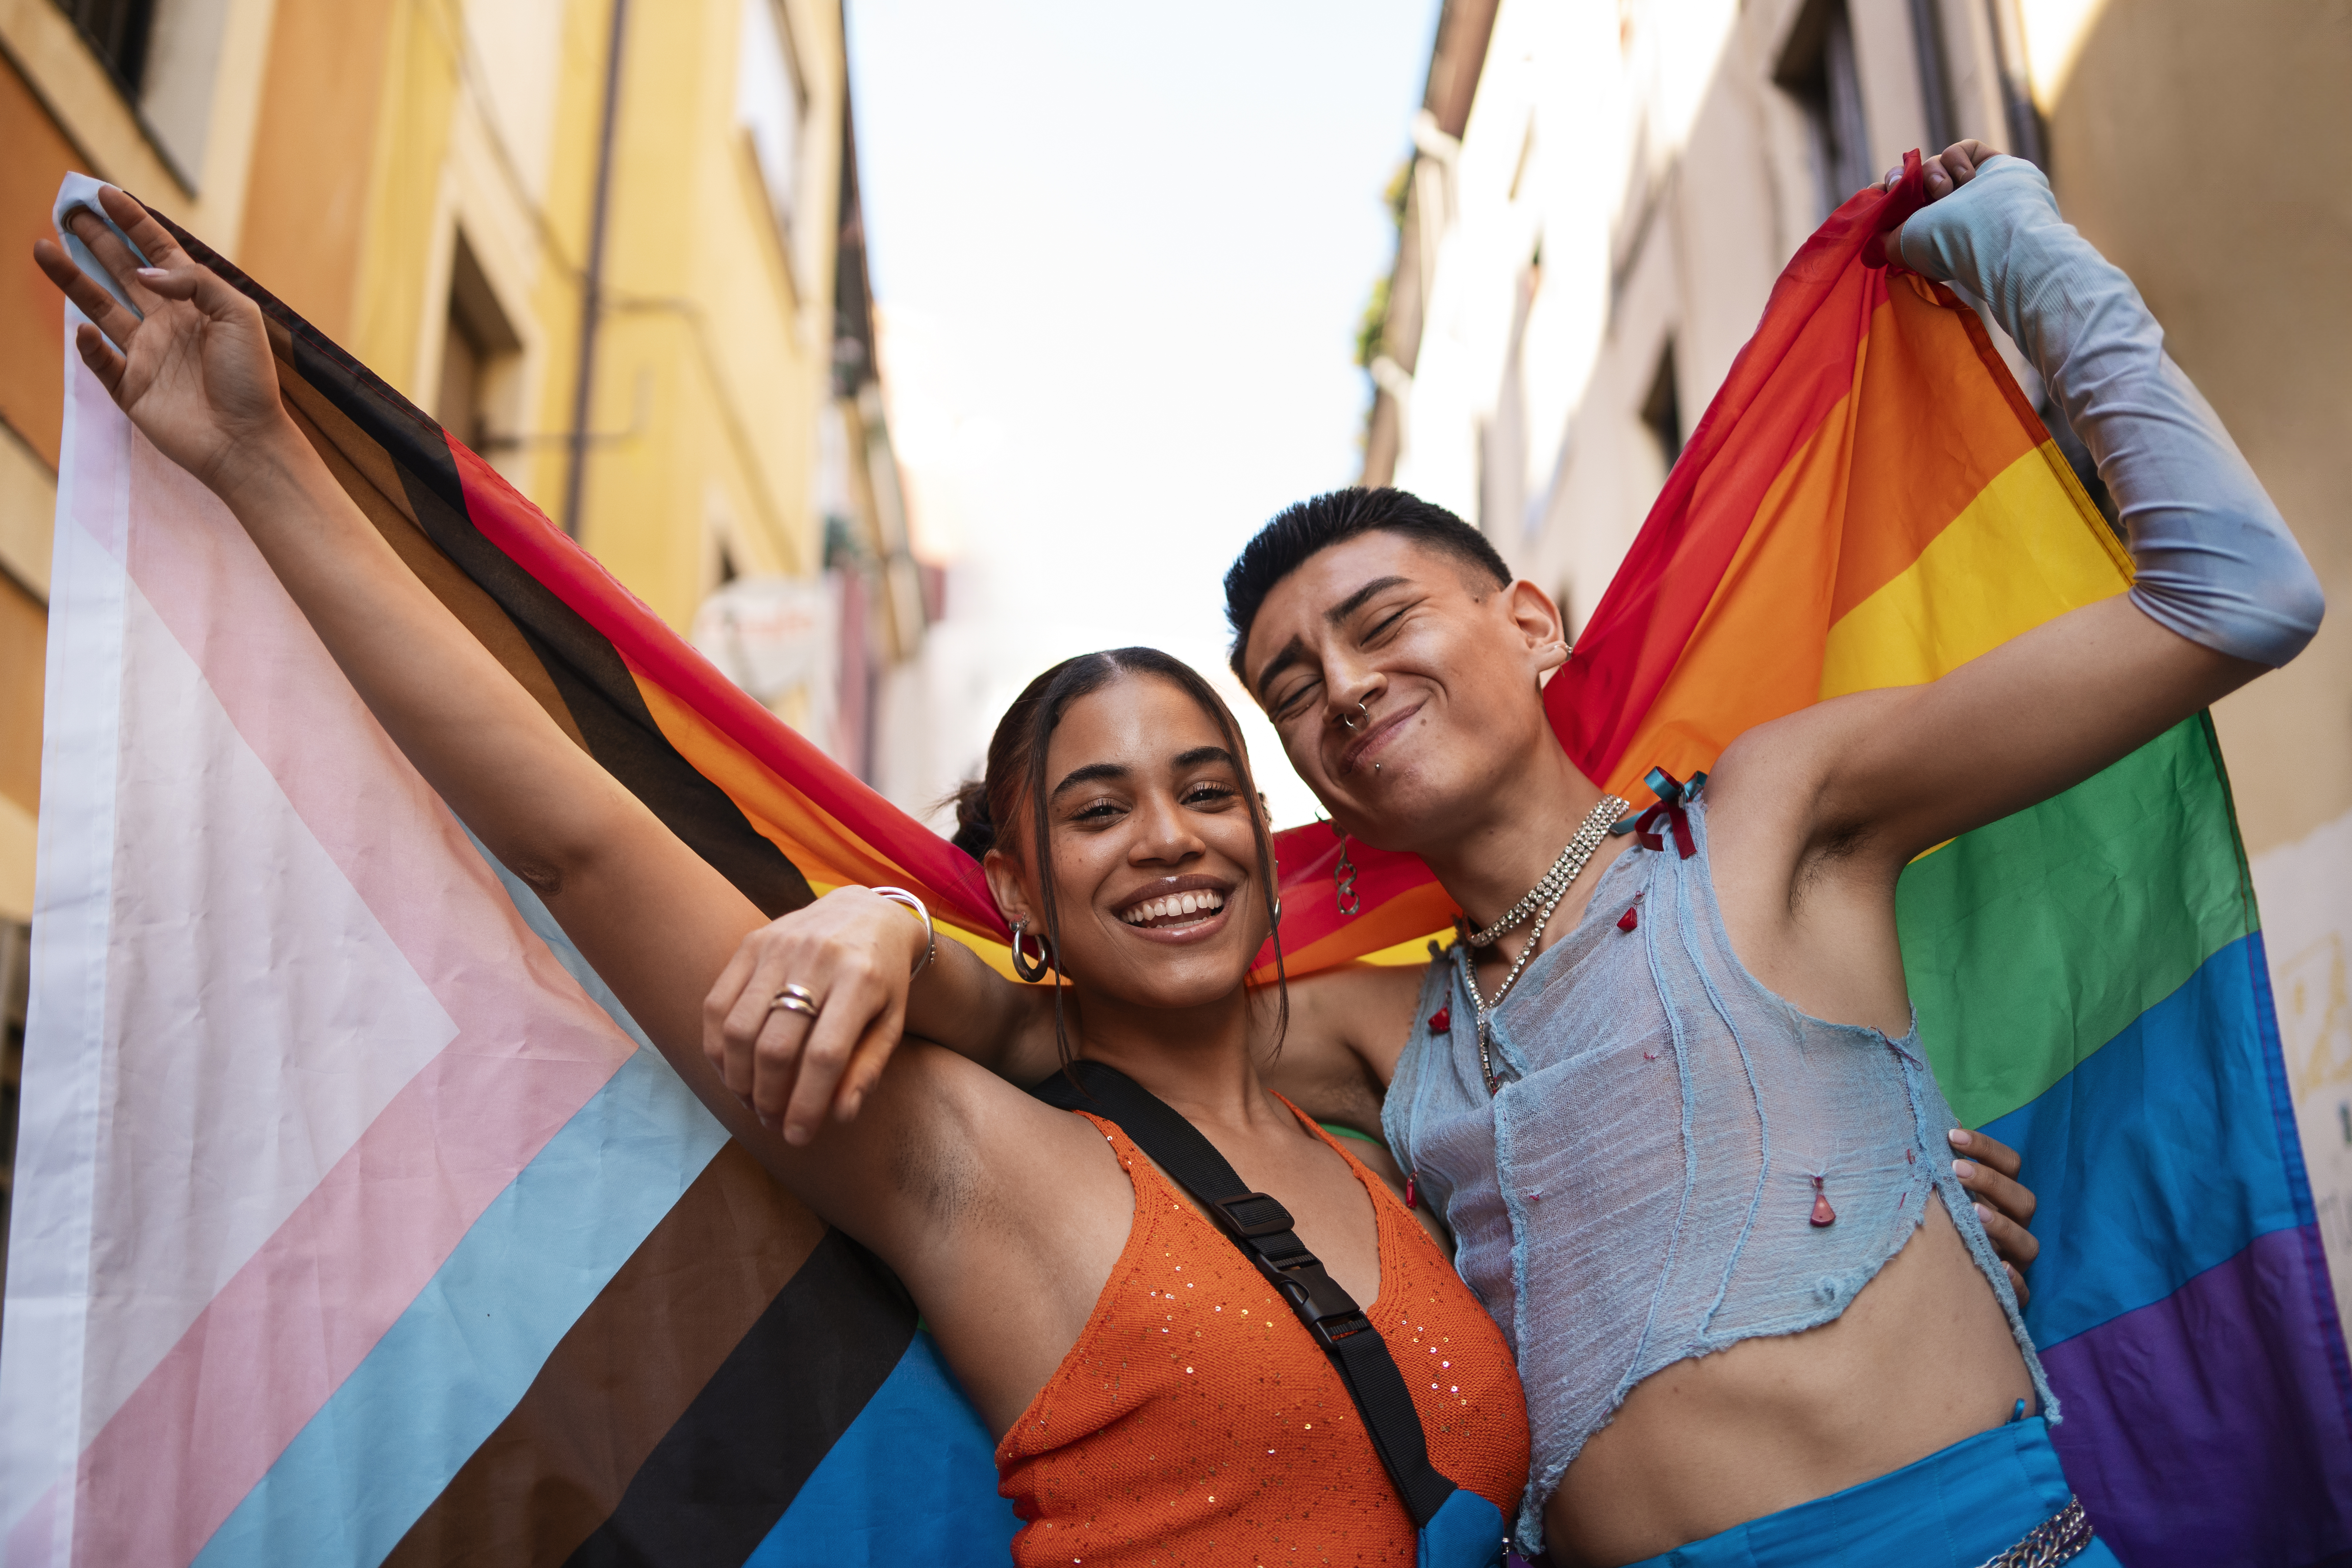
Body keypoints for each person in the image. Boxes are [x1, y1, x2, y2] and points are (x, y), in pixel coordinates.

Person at [709, 143, 2320, 1567]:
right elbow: (1046, 1026)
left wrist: (2017, 246)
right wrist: (877, 928)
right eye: (1290, 687)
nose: (1341, 685)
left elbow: (2235, 597)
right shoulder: (1380, 1027)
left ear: (1528, 623)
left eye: (1378, 621)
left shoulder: (1767, 815)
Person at [35, 193, 1533, 1566]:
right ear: (1015, 888)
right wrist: (259, 462)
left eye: (1206, 791)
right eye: (1096, 808)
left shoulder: (1399, 1112)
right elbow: (586, 842)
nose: (1166, 836)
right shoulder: (964, 1154)